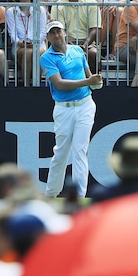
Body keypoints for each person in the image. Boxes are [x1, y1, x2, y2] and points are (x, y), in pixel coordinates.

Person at [40, 20, 101, 198]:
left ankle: (80, 197)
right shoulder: (47, 57)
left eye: (59, 32)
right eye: (53, 33)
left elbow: (89, 76)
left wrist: (96, 82)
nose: (57, 35)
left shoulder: (78, 51)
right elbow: (59, 84)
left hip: (85, 105)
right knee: (61, 153)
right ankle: (51, 194)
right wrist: (87, 82)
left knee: (80, 151)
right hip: (63, 109)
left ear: (65, 32)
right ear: (48, 37)